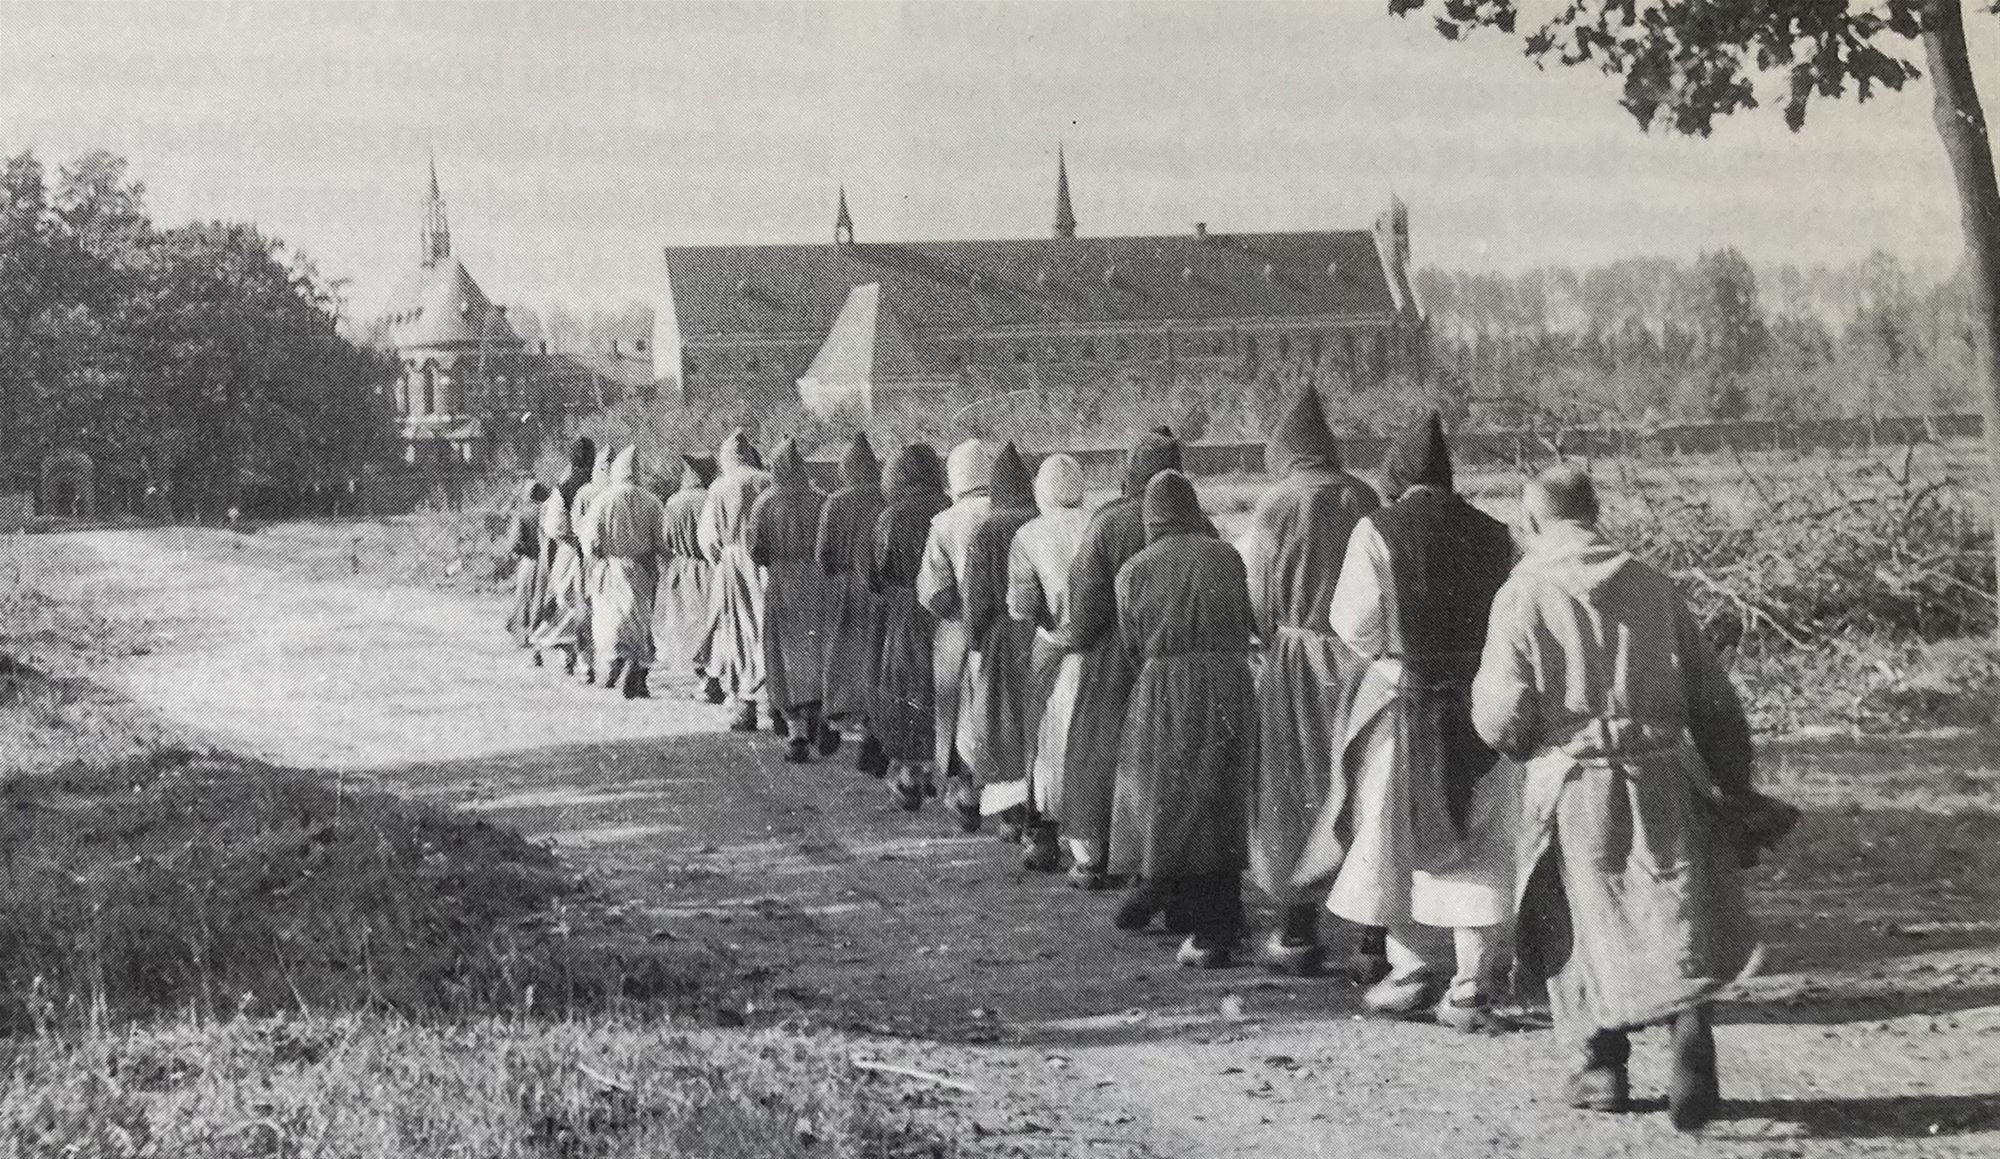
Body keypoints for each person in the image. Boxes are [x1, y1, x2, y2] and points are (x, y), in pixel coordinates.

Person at [1471, 465, 1764, 1130]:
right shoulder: (1653, 583)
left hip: (1576, 781)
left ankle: (1599, 1063)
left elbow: (1501, 714)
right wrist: (1734, 782)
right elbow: (1713, 698)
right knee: (1673, 905)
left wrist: (1525, 744)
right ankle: (1690, 1023)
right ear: (1595, 512)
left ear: (1533, 521)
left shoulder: (1523, 592)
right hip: (1665, 771)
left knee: (1574, 917)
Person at [1324, 411, 1519, 1030]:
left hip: (1409, 701)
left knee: (1398, 832)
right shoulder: (1498, 534)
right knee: (1482, 839)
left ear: (1397, 477)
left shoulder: (1377, 531)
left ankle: (1411, 971)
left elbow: (1353, 622)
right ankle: (1472, 983)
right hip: (1482, 704)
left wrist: (1390, 658)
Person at [1241, 384, 1381, 977]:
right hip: (1359, 659)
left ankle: (1298, 929)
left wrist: (1271, 633)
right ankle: (1374, 940)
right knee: (1362, 786)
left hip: (1296, 660)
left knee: (1293, 788)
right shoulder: (1362, 494)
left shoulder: (1275, 505)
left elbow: (1256, 595)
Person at [1108, 469, 1257, 969]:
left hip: (1165, 686)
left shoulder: (1135, 570)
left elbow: (1132, 643)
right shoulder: (1227, 556)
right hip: (1230, 680)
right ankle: (1216, 908)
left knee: (1168, 793)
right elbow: (1248, 619)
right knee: (1221, 792)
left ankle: (1179, 899)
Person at [1065, 428, 1198, 891]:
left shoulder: (1108, 522)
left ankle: (1096, 856)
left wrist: (1078, 639)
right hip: (1176, 659)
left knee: (1100, 748)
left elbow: (1086, 606)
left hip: (1115, 657)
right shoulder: (1197, 524)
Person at [1005, 452, 1090, 873]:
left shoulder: (1029, 535)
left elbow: (1022, 606)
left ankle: (1042, 836)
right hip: (1100, 646)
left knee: (1041, 737)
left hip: (1053, 645)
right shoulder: (1098, 523)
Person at [963, 443, 1041, 842]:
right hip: (1040, 635)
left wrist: (978, 639)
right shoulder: (1039, 521)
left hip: (1002, 638)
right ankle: (1039, 813)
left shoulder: (987, 531)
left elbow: (976, 598)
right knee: (1038, 725)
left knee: (1004, 727)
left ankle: (1011, 815)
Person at [917, 438, 994, 832]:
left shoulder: (946, 522)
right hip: (1011, 628)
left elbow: (933, 591)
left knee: (959, 710)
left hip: (961, 628)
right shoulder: (1014, 511)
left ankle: (967, 793)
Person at [871, 444, 953, 810]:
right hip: (948, 612)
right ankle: (945, 771)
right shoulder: (949, 508)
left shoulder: (890, 517)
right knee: (945, 690)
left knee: (906, 689)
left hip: (905, 612)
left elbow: (876, 574)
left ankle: (909, 774)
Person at [750, 439, 834, 762]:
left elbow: (756, 550)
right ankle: (821, 715)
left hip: (783, 583)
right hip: (817, 583)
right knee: (818, 650)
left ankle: (796, 731)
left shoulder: (765, 503)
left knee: (783, 655)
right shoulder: (820, 500)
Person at [817, 433, 888, 774]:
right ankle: (873, 725)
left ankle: (834, 718)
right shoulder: (886, 497)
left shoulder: (835, 502)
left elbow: (824, 555)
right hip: (880, 589)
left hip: (844, 586)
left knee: (841, 653)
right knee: (877, 655)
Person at [700, 429, 773, 731]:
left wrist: (721, 559)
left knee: (738, 630)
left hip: (733, 563)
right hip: (766, 563)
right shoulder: (767, 481)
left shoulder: (720, 486)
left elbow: (708, 538)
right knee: (766, 627)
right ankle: (776, 698)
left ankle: (744, 702)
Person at [582, 446, 669, 699]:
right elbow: (661, 541)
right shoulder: (652, 501)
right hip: (641, 568)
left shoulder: (602, 501)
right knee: (638, 619)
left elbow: (591, 543)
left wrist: (599, 556)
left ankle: (616, 663)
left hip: (610, 568)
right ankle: (636, 665)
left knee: (611, 620)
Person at [528, 437, 597, 674]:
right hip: (593, 555)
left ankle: (568, 655)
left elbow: (554, 527)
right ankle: (585, 660)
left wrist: (573, 541)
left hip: (570, 553)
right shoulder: (600, 484)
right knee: (588, 605)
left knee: (566, 602)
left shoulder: (564, 488)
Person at [658, 454, 723, 701]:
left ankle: (700, 675)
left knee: (687, 624)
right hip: (708, 567)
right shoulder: (710, 498)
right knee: (709, 623)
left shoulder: (674, 502)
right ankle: (710, 677)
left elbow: (666, 538)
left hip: (682, 566)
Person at [570, 444, 616, 685]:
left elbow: (576, 526)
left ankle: (586, 662)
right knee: (611, 612)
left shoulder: (586, 493)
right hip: (615, 561)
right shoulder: (619, 492)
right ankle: (609, 662)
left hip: (590, 560)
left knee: (586, 610)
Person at [505, 479, 551, 649]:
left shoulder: (523, 514)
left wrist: (522, 551)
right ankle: (538, 634)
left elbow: (513, 544)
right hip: (547, 562)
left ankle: (523, 635)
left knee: (524, 599)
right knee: (540, 598)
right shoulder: (548, 511)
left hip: (529, 561)